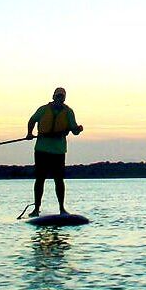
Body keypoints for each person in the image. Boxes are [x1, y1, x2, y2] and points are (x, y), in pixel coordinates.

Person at [26, 87, 83, 217]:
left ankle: (62, 209)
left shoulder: (68, 112)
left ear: (64, 98)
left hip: (58, 151)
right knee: (40, 179)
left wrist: (78, 129)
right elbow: (32, 120)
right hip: (42, 149)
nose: (60, 99)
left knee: (59, 180)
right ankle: (36, 209)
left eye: (62, 97)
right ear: (53, 97)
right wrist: (29, 133)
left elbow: (74, 130)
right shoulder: (43, 109)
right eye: (58, 96)